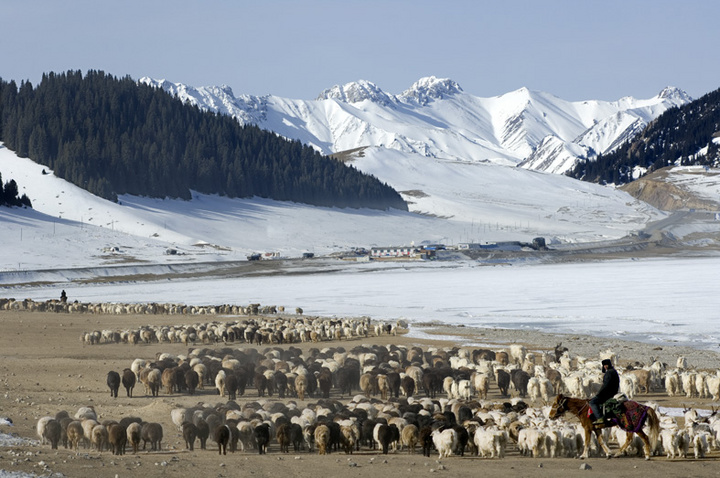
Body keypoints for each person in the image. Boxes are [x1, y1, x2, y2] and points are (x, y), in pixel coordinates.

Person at [590, 358, 619, 426]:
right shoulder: (614, 371)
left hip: (608, 393)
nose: (605, 366)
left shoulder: (609, 373)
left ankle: (600, 418)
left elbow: (606, 385)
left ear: (609, 364)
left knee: (592, 402)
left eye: (606, 365)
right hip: (614, 392)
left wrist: (599, 393)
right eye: (604, 365)